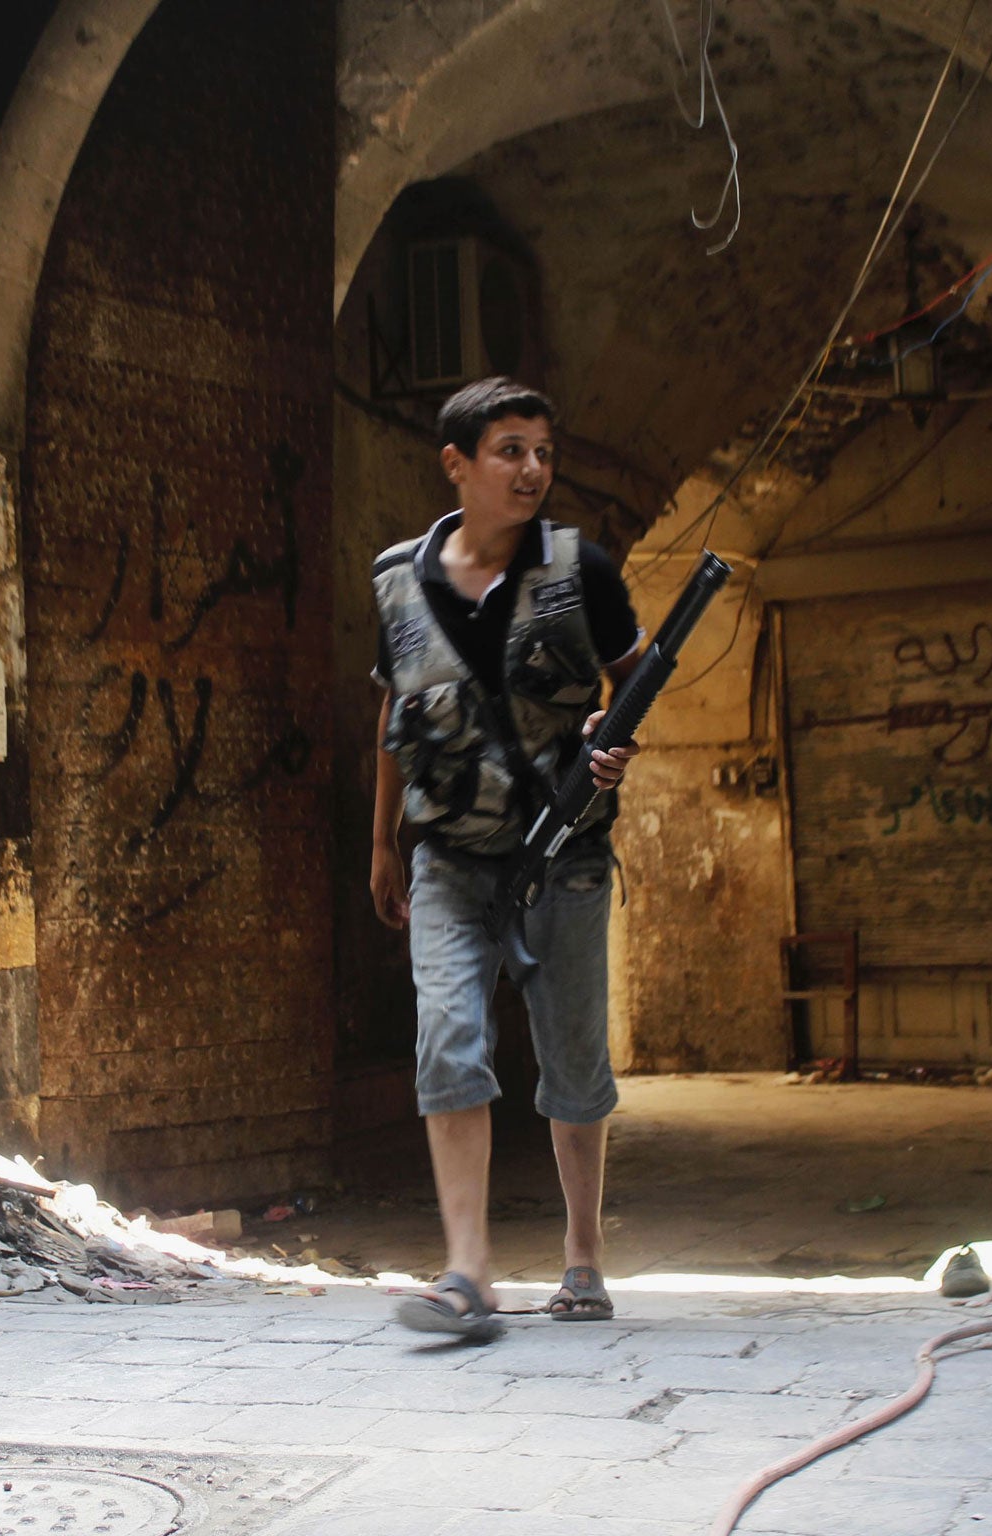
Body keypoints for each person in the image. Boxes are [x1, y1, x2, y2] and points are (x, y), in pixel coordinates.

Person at [369, 376, 643, 1339]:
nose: (532, 469)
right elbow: (394, 714)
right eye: (510, 451)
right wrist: (382, 843)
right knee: (448, 1040)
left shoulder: (582, 571)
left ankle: (583, 1258)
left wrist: (612, 736)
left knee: (572, 1060)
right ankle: (467, 1275)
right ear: (457, 464)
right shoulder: (398, 580)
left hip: (564, 850)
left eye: (542, 452)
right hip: (448, 856)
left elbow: (630, 680)